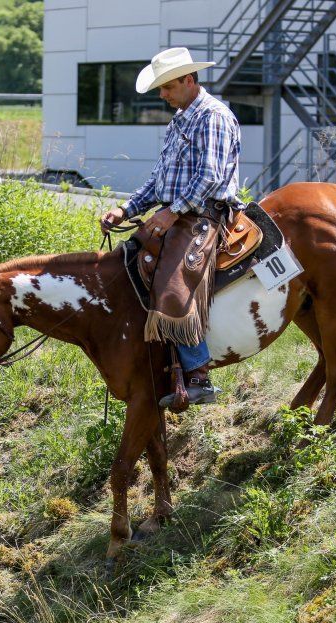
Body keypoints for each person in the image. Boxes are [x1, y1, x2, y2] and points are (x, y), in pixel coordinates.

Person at [101, 47, 243, 408]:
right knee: (130, 263)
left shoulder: (212, 117)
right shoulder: (179, 120)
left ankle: (199, 375)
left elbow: (209, 177)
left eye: (167, 87)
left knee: (171, 282)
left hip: (205, 214)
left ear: (189, 80)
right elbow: (159, 181)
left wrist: (172, 213)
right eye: (160, 88)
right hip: (178, 212)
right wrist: (126, 208)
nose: (162, 95)